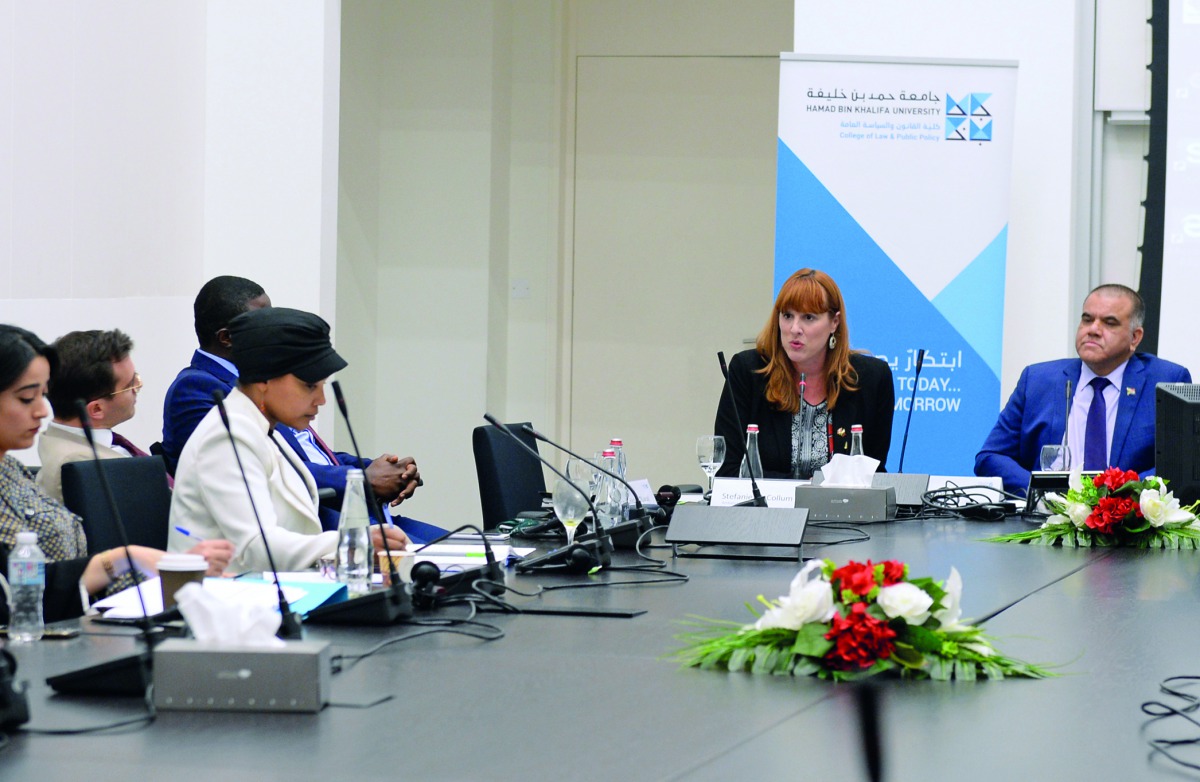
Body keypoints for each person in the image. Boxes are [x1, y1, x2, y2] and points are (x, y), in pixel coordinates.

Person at [160, 276, 430, 537]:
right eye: (311, 386)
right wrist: (362, 480)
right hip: (314, 526)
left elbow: (306, 455)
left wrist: (382, 470)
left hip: (348, 521)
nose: (321, 399)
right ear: (226, 337)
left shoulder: (266, 389)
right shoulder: (197, 389)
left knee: (469, 556)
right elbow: (263, 516)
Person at [0, 325, 231, 624]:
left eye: (42, 395)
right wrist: (128, 560)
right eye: (27, 398)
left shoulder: (12, 470)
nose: (43, 412)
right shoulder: (72, 463)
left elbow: (68, 581)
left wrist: (172, 567)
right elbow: (23, 592)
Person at [975, 283, 1191, 495]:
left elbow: (1180, 464)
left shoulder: (1165, 380)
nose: (1093, 330)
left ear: (1135, 337)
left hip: (1126, 523)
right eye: (1087, 319)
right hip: (1044, 520)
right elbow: (991, 456)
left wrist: (1120, 496)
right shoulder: (1037, 380)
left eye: (1109, 323)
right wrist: (1040, 492)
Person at [715, 268, 895, 479]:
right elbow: (727, 470)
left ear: (834, 322)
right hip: (765, 510)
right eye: (787, 315)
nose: (794, 328)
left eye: (809, 317)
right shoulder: (748, 371)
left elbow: (872, 473)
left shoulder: (871, 379)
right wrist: (807, 488)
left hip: (840, 510)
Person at [36, 329, 160, 502]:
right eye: (131, 384)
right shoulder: (80, 469)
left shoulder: (76, 445)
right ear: (96, 410)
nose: (138, 388)